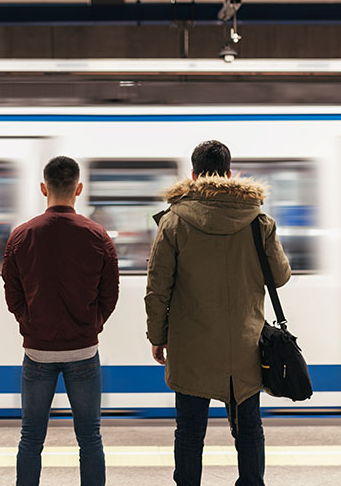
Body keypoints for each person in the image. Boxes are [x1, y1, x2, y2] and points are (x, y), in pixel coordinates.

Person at [145, 141, 291, 486]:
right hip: (245, 345)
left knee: (190, 432)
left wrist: (157, 337)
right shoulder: (259, 220)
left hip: (191, 345)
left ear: (194, 175)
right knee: (249, 428)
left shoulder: (173, 222)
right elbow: (281, 276)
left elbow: (157, 289)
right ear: (229, 174)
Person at [1, 156, 119, 486]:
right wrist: (91, 325)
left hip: (37, 353)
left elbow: (12, 294)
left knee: (31, 438)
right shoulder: (98, 235)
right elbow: (110, 294)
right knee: (90, 439)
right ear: (78, 188)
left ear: (44, 188)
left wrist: (29, 323)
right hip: (83, 352)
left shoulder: (21, 236)